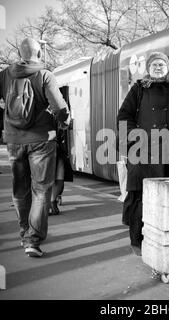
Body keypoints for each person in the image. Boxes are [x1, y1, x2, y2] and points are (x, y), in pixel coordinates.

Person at [0, 38, 70, 257]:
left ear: (20, 54)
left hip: (14, 140)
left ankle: (24, 232)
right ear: (39, 54)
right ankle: (32, 239)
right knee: (40, 190)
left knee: (20, 188)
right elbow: (59, 107)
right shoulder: (45, 75)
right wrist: (64, 122)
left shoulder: (4, 75)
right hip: (41, 139)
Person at [117, 51, 169, 255]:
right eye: (155, 65)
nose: (158, 68)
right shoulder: (137, 90)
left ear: (168, 69)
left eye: (162, 65)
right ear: (148, 68)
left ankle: (166, 240)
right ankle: (137, 241)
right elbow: (124, 116)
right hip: (142, 153)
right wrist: (135, 136)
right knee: (140, 197)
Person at [49, 124, 73, 215]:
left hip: (59, 150)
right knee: (47, 178)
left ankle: (53, 201)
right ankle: (48, 203)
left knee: (60, 177)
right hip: (45, 148)